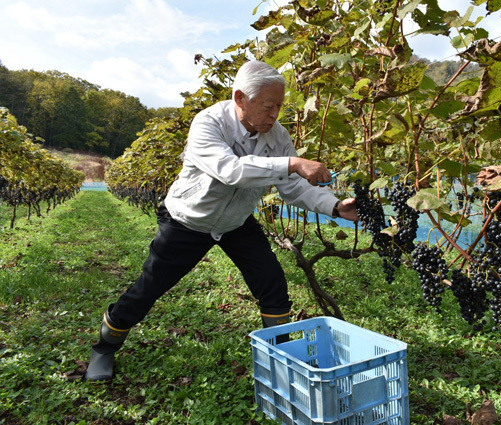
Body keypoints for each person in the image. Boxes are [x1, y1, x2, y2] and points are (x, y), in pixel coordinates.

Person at [85, 60, 359, 381]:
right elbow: (232, 171)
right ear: (240, 98)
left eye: (279, 107)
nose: (274, 114)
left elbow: (293, 187)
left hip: (235, 222)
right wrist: (292, 163)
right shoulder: (209, 123)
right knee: (148, 289)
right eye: (268, 106)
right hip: (188, 220)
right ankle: (104, 348)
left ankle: (283, 358)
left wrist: (336, 206)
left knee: (272, 284)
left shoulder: (277, 136)